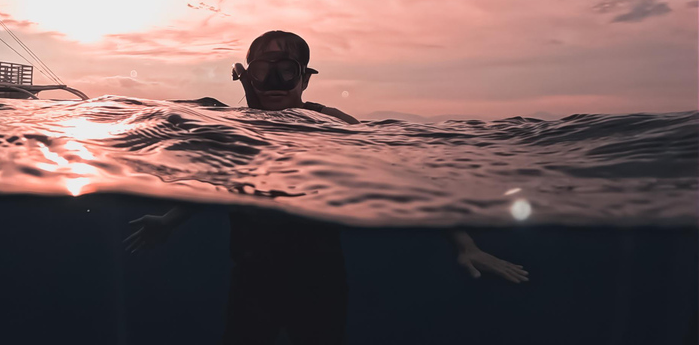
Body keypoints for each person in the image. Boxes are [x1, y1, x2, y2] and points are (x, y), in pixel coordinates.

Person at [124, 30, 529, 344]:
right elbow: (220, 181)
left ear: (305, 79)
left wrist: (465, 244)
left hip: (319, 280)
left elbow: (411, 176)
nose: (277, 82)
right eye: (265, 71)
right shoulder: (231, 128)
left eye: (289, 71)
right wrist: (170, 218)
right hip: (250, 277)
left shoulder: (331, 124)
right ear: (245, 76)